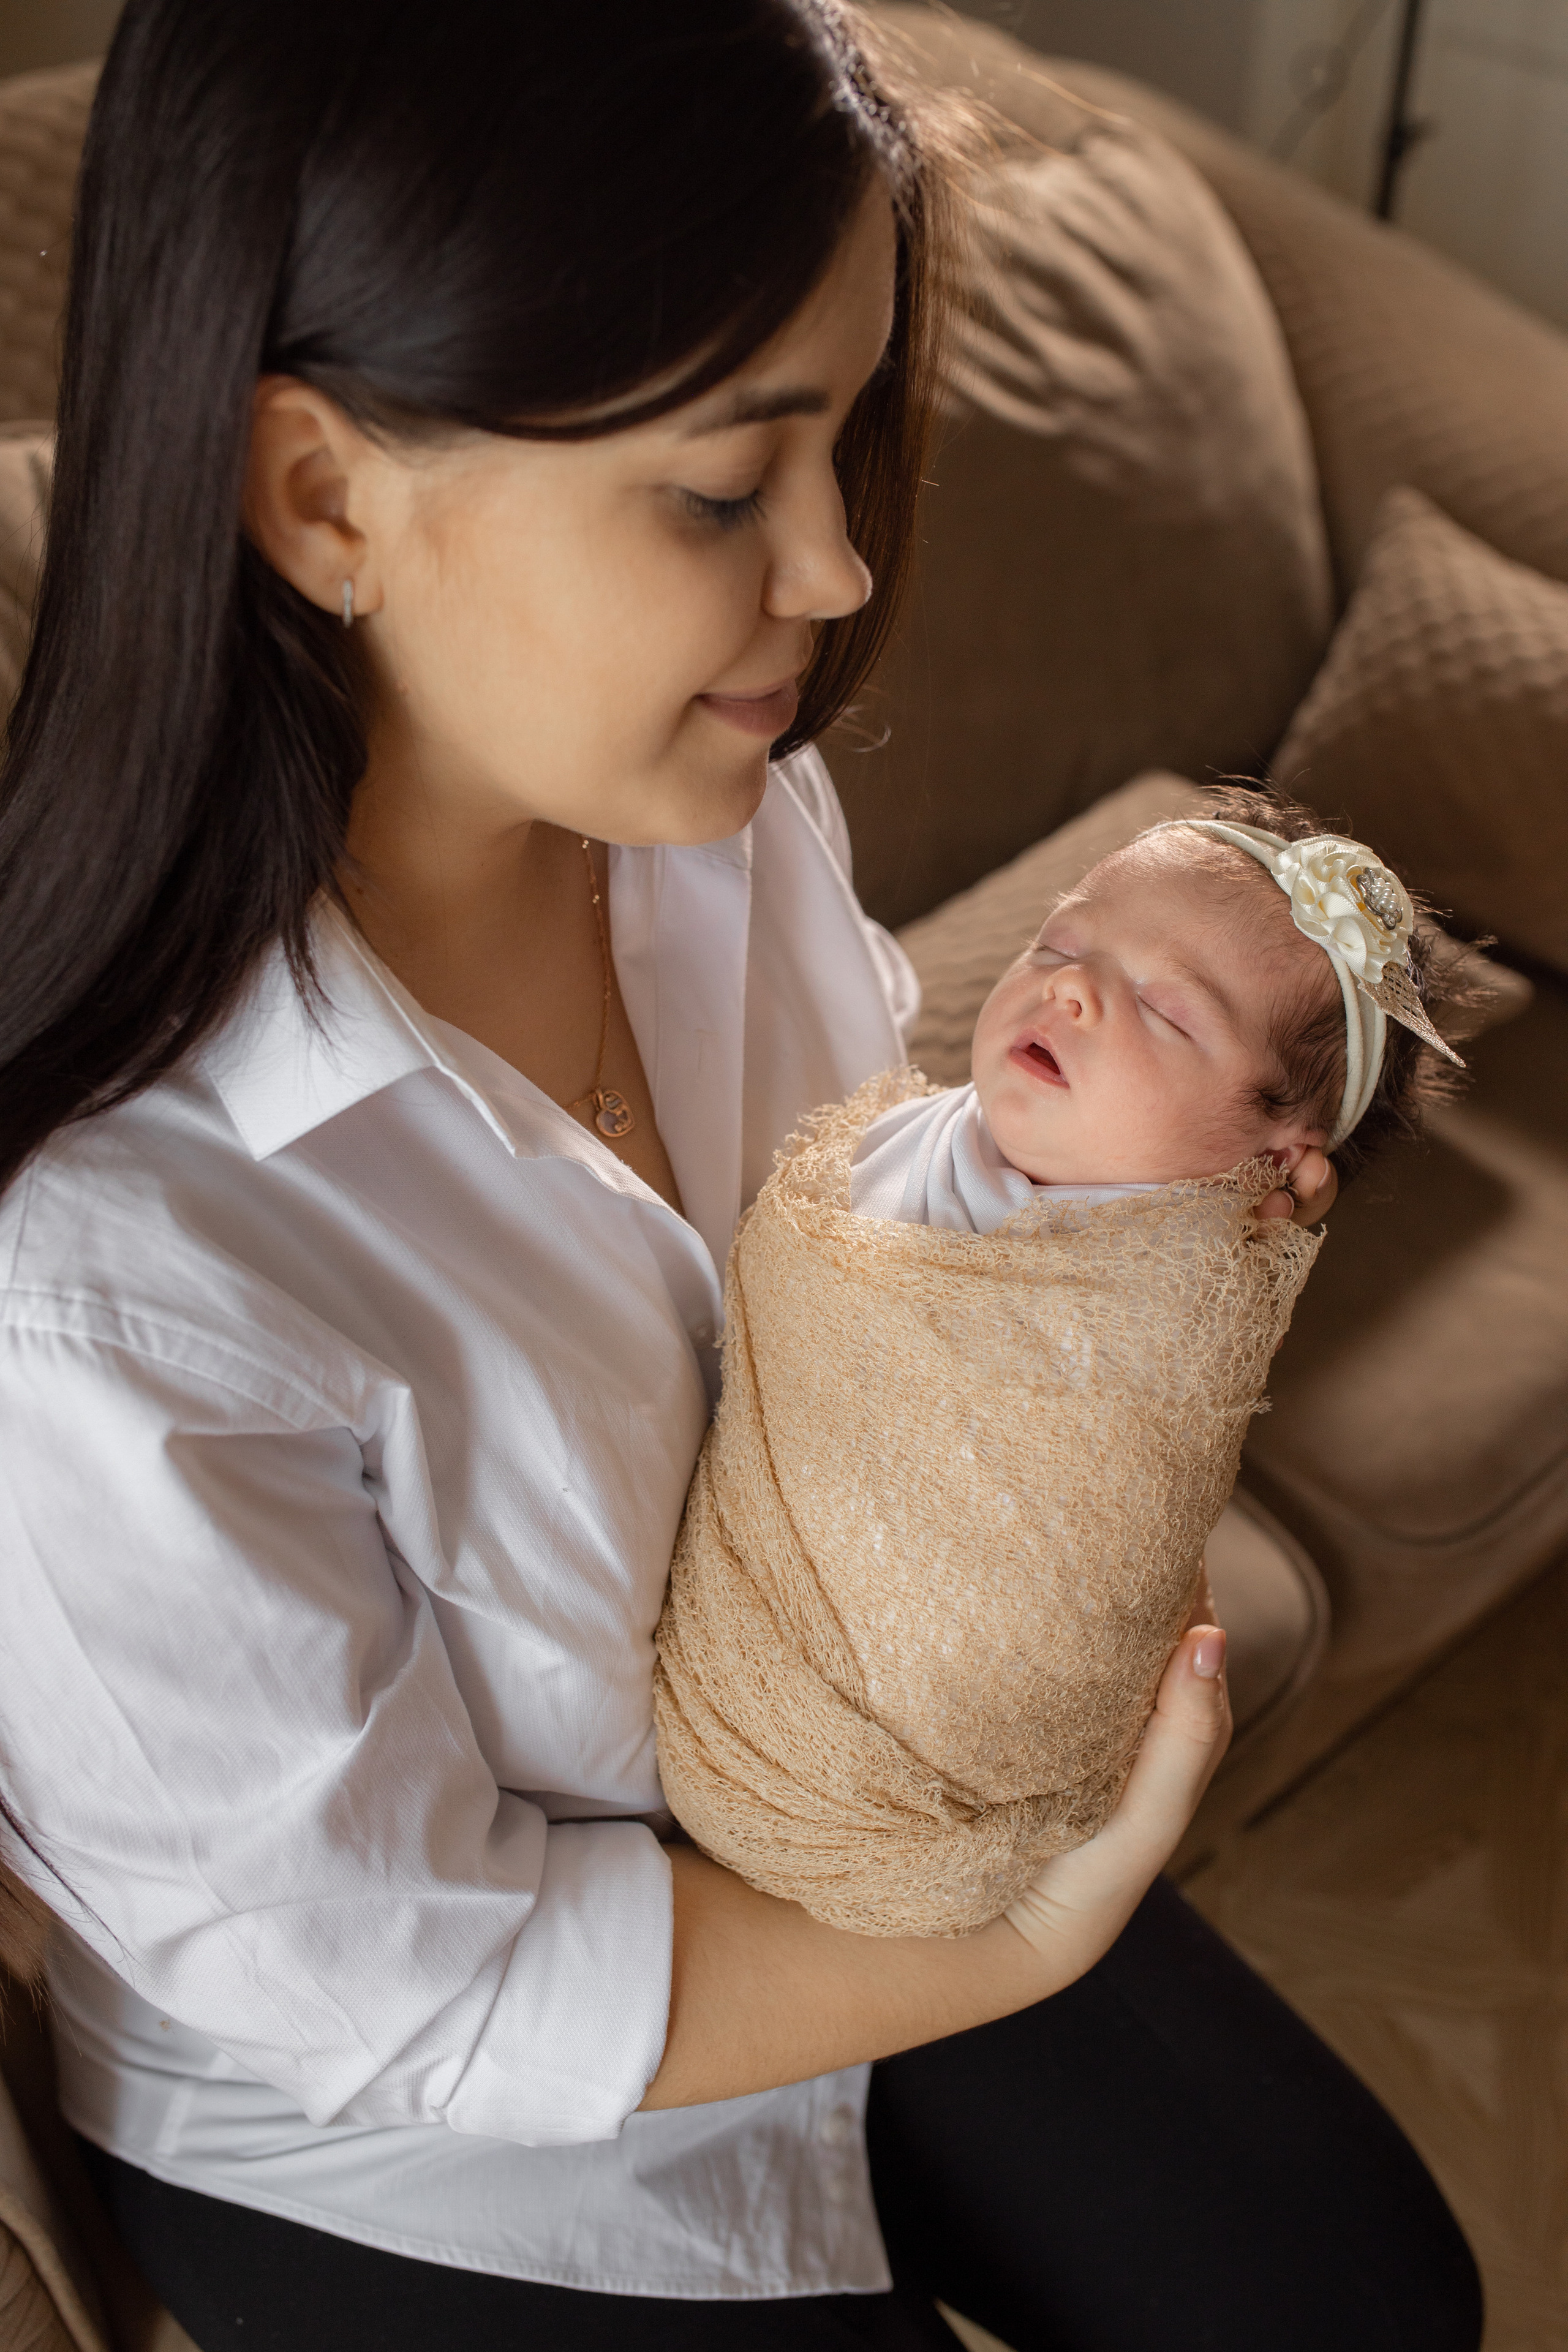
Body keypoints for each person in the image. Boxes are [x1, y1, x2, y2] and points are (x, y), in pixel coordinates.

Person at [0, 2, 1481, 2345]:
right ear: (324, 498)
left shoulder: (730, 823)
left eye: (858, 433)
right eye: (721, 487)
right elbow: (404, 1984)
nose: (831, 570)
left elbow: (892, 1274)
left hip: (815, 1786)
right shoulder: (104, 1270)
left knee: (1360, 2298)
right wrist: (1020, 1938)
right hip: (442, 2123)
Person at [654, 791, 1474, 1940]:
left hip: (906, 1781)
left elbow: (1061, 1516)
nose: (1071, 987)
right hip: (738, 1689)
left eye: (1168, 1013)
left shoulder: (1155, 1298)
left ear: (1278, 1152)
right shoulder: (937, 1130)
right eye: (1061, 942)